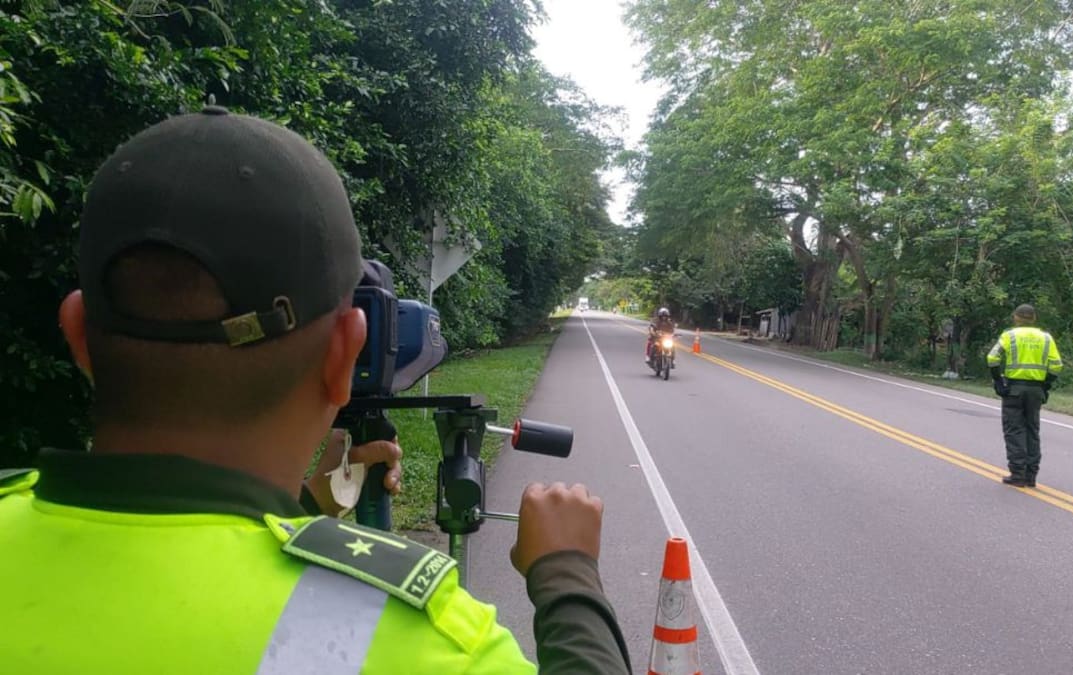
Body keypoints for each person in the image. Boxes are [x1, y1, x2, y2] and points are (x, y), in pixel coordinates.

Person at [0, 106, 630, 674]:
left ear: (78, 336)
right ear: (344, 354)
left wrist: (302, 505)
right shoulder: (422, 640)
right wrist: (566, 571)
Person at [986, 304, 1064, 488]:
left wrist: (998, 381)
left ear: (1016, 317)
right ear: (1034, 318)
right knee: (1032, 430)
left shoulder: (1010, 335)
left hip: (1014, 389)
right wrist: (1045, 385)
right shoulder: (1046, 338)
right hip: (1036, 389)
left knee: (1014, 430)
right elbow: (1057, 365)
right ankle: (1031, 475)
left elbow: (992, 358)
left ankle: (1018, 473)